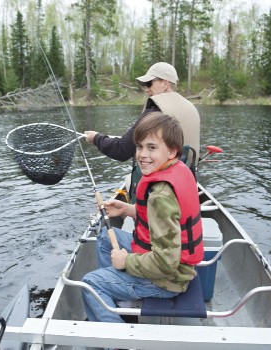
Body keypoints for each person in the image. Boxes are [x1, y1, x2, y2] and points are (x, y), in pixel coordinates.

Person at [81, 112, 204, 323]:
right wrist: (127, 210)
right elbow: (167, 219)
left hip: (167, 280)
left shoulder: (160, 196)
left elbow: (166, 263)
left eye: (152, 147)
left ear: (172, 151)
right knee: (104, 238)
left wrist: (126, 261)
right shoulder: (179, 169)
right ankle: (119, 292)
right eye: (139, 147)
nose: (142, 154)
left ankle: (118, 342)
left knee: (90, 284)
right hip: (171, 264)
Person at [84, 62, 201, 200]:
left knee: (129, 180)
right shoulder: (190, 107)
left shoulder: (155, 113)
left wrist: (96, 138)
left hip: (160, 187)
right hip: (186, 181)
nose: (146, 89)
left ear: (165, 83)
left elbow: (121, 150)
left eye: (149, 83)